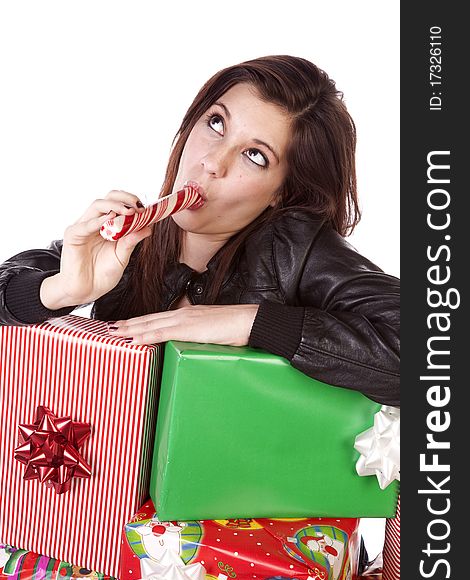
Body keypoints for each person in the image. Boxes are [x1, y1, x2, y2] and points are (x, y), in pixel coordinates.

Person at [0, 55, 399, 406]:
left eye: (254, 155)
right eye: (216, 123)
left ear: (283, 191)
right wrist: (62, 290)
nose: (212, 163)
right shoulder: (129, 240)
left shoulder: (296, 251)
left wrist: (256, 323)